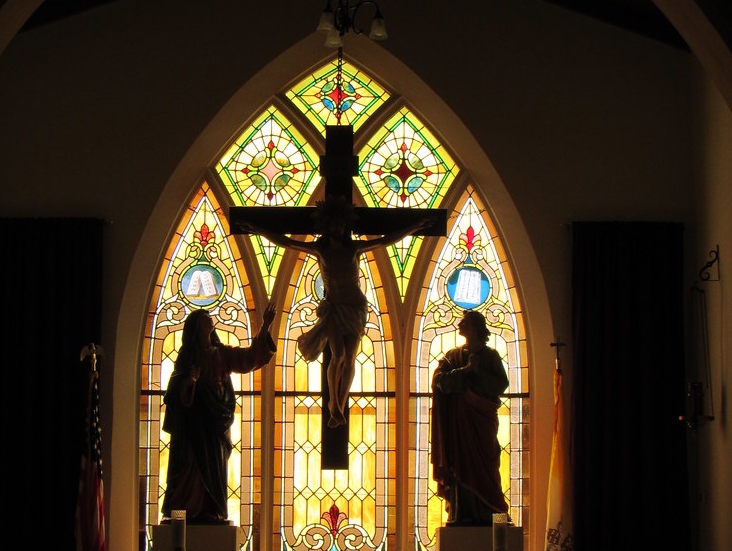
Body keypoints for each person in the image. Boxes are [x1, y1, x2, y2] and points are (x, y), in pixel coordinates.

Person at [240, 199, 433, 427]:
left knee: (350, 357)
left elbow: (385, 241)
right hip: (332, 308)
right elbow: (287, 243)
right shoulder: (319, 250)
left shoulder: (354, 248)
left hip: (355, 310)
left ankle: (340, 405)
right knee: (338, 355)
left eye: (343, 224)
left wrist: (415, 227)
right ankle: (332, 402)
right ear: (326, 225)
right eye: (335, 223)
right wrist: (257, 229)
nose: (340, 227)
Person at [161, 302, 276, 524]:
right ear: (196, 328)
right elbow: (174, 390)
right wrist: (190, 382)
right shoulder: (186, 356)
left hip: (215, 421)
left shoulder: (221, 353)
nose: (210, 324)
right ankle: (182, 511)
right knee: (189, 466)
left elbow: (249, 358)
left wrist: (265, 326)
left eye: (210, 322)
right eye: (205, 321)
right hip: (193, 422)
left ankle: (211, 509)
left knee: (213, 466)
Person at [430, 309, 509, 525]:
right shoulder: (452, 357)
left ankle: (491, 511)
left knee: (487, 466)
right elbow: (439, 381)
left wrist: (476, 374)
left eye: (463, 322)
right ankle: (461, 512)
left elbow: (501, 384)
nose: (458, 325)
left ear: (475, 328)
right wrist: (465, 371)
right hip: (458, 426)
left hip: (482, 422)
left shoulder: (491, 356)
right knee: (461, 465)